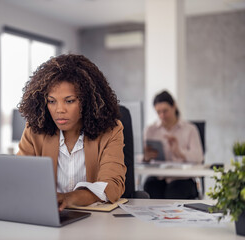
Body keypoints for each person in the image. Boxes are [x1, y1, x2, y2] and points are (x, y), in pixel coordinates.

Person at [17, 54, 126, 211]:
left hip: (94, 221)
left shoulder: (111, 131)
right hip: (47, 217)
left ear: (87, 101)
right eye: (52, 101)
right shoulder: (34, 130)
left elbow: (112, 185)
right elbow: (20, 178)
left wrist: (69, 198)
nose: (59, 110)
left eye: (69, 101)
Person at [143, 90, 203, 199]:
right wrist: (145, 157)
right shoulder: (150, 130)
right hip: (158, 177)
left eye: (165, 111)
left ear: (174, 106)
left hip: (182, 178)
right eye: (158, 112)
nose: (162, 115)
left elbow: (199, 157)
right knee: (149, 189)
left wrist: (180, 153)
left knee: (174, 192)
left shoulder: (190, 129)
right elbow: (140, 156)